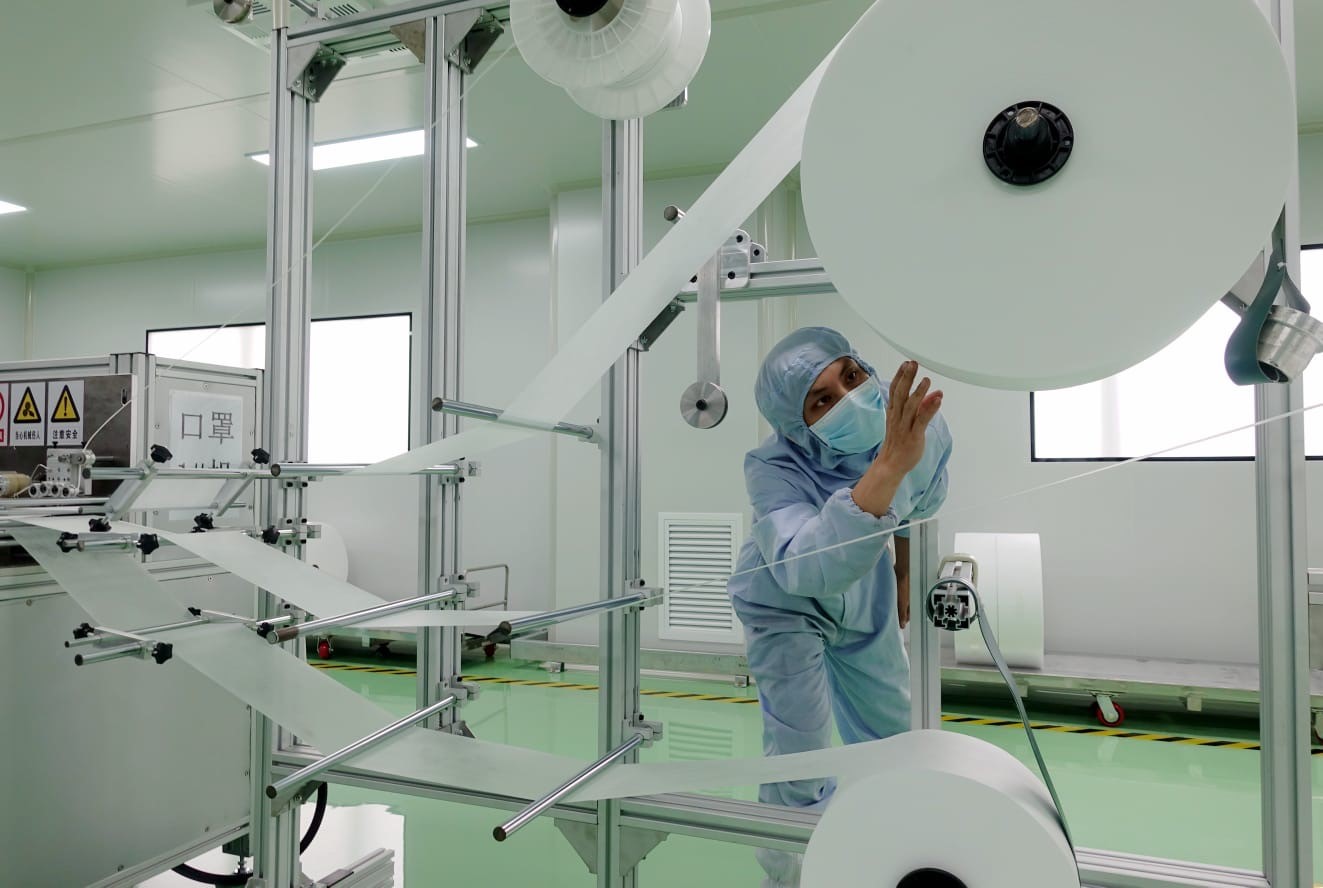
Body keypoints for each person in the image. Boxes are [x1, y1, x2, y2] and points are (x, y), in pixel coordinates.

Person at [728, 327, 952, 888]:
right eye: (822, 399)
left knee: (895, 734)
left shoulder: (915, 427)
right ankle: (788, 876)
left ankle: (901, 859)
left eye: (850, 376)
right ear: (794, 422)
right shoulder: (772, 466)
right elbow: (803, 566)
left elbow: (923, 500)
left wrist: (902, 573)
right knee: (800, 752)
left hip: (866, 581)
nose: (847, 397)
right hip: (785, 597)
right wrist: (887, 468)